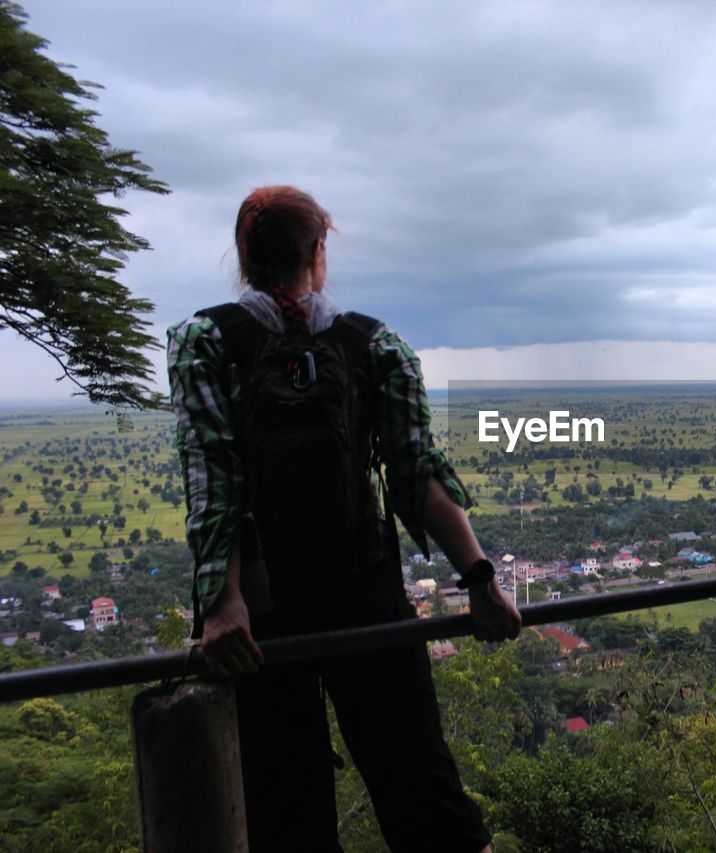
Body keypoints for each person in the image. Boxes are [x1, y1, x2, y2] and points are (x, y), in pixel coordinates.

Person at [167, 185, 520, 851]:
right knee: (423, 790)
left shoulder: (205, 342)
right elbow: (418, 476)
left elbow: (213, 479)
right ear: (318, 253)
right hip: (367, 598)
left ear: (242, 258)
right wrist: (479, 578)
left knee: (283, 811)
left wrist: (221, 602)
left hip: (261, 617)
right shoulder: (374, 344)